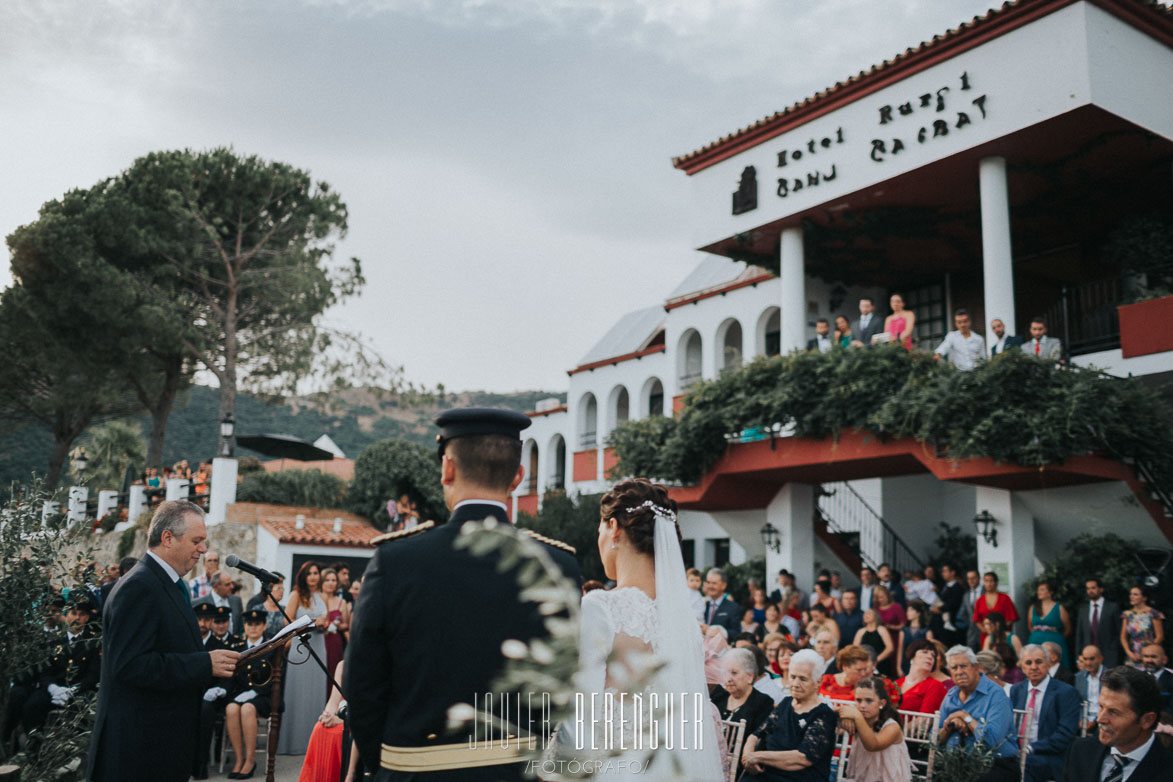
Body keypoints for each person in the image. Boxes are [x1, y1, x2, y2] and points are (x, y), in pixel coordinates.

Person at [345, 408, 581, 780]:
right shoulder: (559, 566)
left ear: (447, 468)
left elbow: (362, 684)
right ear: (517, 477)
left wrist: (391, 762)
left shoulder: (396, 560)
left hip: (414, 770)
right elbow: (561, 684)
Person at [86, 500, 239, 782]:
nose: (203, 550)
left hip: (161, 744)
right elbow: (130, 666)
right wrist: (203, 664)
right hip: (139, 751)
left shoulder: (165, 583)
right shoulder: (139, 587)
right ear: (167, 538)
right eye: (196, 541)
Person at [1059, 665, 1173, 781]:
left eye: (1113, 712)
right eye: (1101, 706)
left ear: (1147, 720)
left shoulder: (1167, 770)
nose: (1100, 719)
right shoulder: (1079, 752)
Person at [741, 648, 838, 780]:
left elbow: (803, 758)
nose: (795, 684)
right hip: (765, 773)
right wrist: (748, 756)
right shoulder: (786, 703)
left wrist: (758, 756)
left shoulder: (824, 715)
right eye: (792, 677)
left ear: (818, 682)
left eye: (803, 679)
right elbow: (756, 734)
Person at [938, 645, 1018, 782]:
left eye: (963, 666)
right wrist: (950, 725)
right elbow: (936, 740)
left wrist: (965, 717)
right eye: (954, 668)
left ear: (976, 667)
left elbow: (992, 740)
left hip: (994, 764)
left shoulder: (996, 694)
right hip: (956, 765)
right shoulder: (950, 696)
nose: (959, 672)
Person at [277, 560, 329, 755]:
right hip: (302, 645)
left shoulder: (323, 595)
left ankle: (314, 741)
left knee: (316, 692)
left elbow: (327, 618)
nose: (314, 576)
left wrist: (324, 623)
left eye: (316, 573)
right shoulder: (296, 595)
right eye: (310, 573)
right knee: (298, 692)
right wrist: (311, 624)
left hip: (319, 644)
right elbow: (287, 621)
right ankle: (294, 742)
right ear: (303, 576)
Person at [1011, 644, 1082, 782]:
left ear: (1048, 664)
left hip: (1049, 756)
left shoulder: (1066, 692)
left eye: (1039, 662)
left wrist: (1030, 748)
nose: (1034, 667)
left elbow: (1065, 734)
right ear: (1022, 668)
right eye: (1028, 663)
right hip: (1016, 753)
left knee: (1023, 767)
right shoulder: (1016, 690)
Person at [223, 609, 275, 780]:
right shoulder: (238, 648)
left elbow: (275, 677)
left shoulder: (271, 648)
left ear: (264, 625)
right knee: (231, 708)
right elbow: (232, 675)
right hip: (241, 695)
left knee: (246, 708)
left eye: (257, 624)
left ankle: (250, 761)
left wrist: (254, 692)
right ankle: (239, 759)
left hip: (263, 697)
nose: (253, 628)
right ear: (244, 626)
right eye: (249, 624)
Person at [712, 648, 777, 776]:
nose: (728, 678)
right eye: (725, 673)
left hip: (742, 772)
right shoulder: (718, 698)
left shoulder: (763, 703)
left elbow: (759, 742)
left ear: (750, 676)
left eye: (734, 673)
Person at [836, 676, 912, 782]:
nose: (862, 705)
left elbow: (873, 745)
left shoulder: (892, 726)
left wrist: (856, 717)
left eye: (869, 701)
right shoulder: (859, 718)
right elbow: (828, 717)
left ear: (882, 703)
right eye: (858, 700)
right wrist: (840, 713)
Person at [299, 659, 359, 782]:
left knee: (339, 733)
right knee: (320, 728)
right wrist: (328, 715)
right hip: (342, 713)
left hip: (358, 718)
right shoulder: (343, 665)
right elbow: (333, 700)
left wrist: (343, 720)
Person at [819, 645, 901, 706]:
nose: (863, 673)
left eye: (865, 669)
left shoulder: (870, 685)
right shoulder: (826, 680)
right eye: (859, 670)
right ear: (845, 667)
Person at [1075, 577, 1123, 669]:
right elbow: (1079, 635)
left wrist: (1115, 651)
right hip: (1088, 656)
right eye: (1088, 588)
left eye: (1093, 588)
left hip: (1109, 655)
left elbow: (1119, 632)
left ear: (1101, 589)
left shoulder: (1112, 607)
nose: (1090, 591)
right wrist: (1078, 656)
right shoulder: (1083, 610)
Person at [1028, 579, 1072, 670]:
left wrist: (1058, 638)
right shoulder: (1033, 608)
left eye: (1042, 589)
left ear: (1050, 592)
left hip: (1054, 641)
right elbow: (1030, 626)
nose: (1039, 592)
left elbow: (1068, 628)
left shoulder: (1059, 607)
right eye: (1038, 590)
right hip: (1036, 641)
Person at [319, 567, 350, 692]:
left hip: (334, 641)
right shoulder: (317, 600)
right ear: (322, 582)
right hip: (319, 638)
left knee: (333, 671)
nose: (331, 583)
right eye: (327, 580)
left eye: (333, 580)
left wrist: (336, 625)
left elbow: (346, 625)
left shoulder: (341, 602)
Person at [897, 638, 948, 713]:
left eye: (933, 655)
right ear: (912, 656)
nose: (930, 657)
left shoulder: (935, 686)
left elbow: (924, 720)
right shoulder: (896, 683)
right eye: (925, 652)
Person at [1121, 585, 1165, 667]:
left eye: (1135, 594)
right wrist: (1129, 652)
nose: (1131, 597)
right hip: (1133, 655)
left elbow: (1160, 636)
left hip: (1150, 655)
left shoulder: (1153, 613)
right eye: (1131, 594)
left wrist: (1146, 652)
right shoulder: (1127, 614)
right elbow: (1123, 637)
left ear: (1144, 598)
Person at [974, 571, 1019, 647]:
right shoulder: (980, 600)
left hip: (1002, 636)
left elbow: (1011, 618)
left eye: (991, 581)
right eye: (986, 581)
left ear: (996, 582)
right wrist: (986, 630)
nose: (988, 584)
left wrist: (999, 630)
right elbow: (977, 620)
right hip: (986, 635)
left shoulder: (1005, 598)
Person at [193, 570, 244, 636]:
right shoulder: (199, 603)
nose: (232, 587)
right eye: (227, 584)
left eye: (231, 583)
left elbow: (240, 626)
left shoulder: (236, 600)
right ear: (215, 586)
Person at [702, 567, 742, 642]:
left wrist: (720, 632)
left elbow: (736, 633)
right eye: (708, 582)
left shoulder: (733, 607)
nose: (710, 586)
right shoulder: (702, 605)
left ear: (723, 586)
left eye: (714, 583)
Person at [855, 609, 897, 678]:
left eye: (869, 614)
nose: (866, 616)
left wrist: (876, 660)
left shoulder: (881, 629)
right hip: (864, 664)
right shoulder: (861, 631)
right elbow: (855, 649)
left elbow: (890, 648)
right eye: (865, 614)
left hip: (881, 664)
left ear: (876, 616)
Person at [1075, 645, 1107, 734]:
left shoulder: (1109, 677)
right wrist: (1081, 719)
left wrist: (1095, 720)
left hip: (1103, 720)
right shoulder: (1079, 677)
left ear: (1100, 659)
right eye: (1085, 659)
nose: (1088, 663)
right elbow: (1077, 702)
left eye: (1092, 659)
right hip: (1083, 720)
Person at [898, 600, 933, 676]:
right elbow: (900, 650)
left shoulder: (927, 631)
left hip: (921, 665)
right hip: (906, 665)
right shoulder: (903, 630)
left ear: (918, 613)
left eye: (911, 610)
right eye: (907, 610)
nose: (908, 613)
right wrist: (898, 667)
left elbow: (931, 652)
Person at [1139, 643, 1173, 711]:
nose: (1149, 660)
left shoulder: (1171, 680)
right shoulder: (1136, 679)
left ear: (1164, 660)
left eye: (1153, 657)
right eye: (1146, 656)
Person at [960, 569, 984, 651]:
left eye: (973, 578)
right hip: (971, 632)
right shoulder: (966, 595)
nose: (971, 581)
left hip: (985, 630)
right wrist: (970, 622)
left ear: (979, 578)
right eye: (968, 578)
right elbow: (963, 614)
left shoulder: (986, 592)